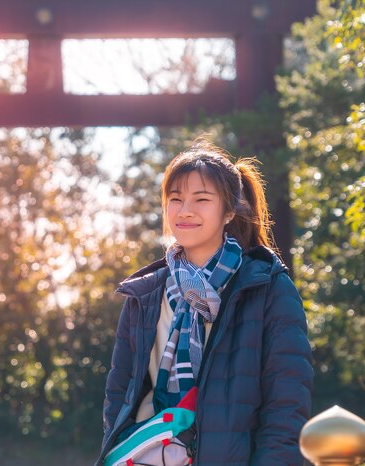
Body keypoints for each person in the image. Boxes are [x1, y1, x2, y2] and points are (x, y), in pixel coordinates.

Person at [96, 140, 313, 465]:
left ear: (228, 211)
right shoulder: (145, 294)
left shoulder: (267, 288)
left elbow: (286, 404)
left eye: (201, 199)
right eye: (175, 199)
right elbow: (120, 396)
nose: (185, 211)